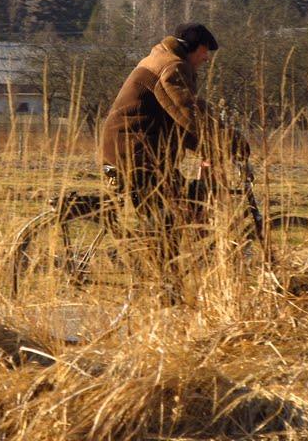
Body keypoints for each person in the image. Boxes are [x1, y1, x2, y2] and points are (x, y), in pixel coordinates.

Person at [100, 22, 247, 298]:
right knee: (174, 210)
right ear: (191, 48)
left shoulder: (166, 61)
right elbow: (187, 113)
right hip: (135, 154)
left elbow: (179, 119)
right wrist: (228, 143)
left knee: (179, 208)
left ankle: (164, 279)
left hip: (140, 150)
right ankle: (161, 284)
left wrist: (213, 147)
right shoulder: (172, 67)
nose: (207, 58)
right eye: (204, 51)